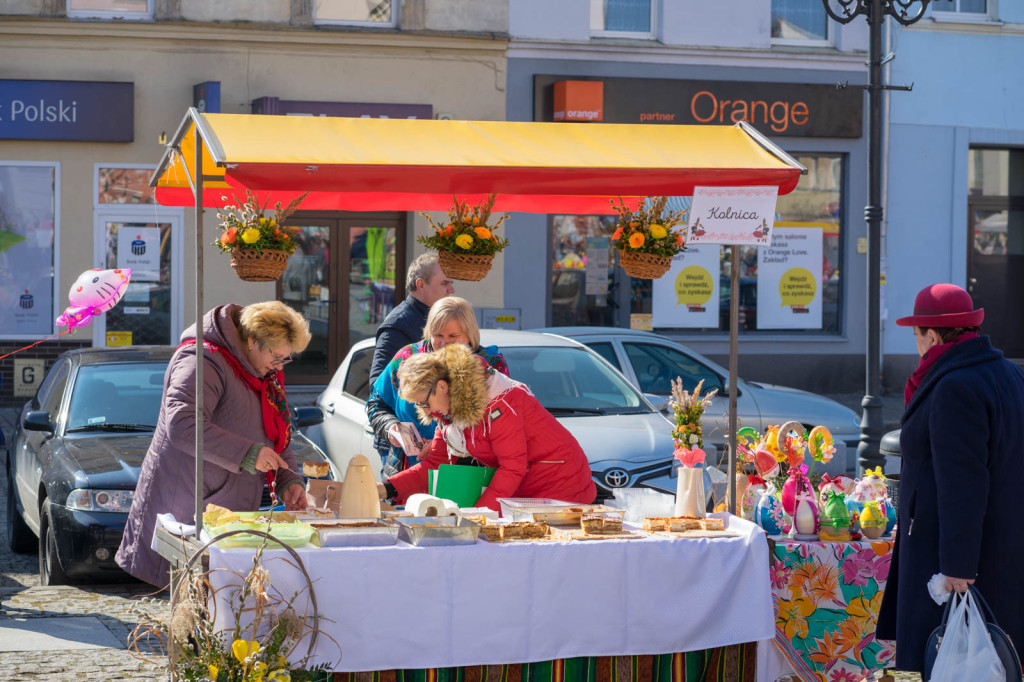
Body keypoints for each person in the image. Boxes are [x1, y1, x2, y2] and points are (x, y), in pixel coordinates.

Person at [876, 283, 1024, 673]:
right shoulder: (1007, 372)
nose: (917, 345)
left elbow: (963, 484)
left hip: (953, 558)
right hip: (1000, 544)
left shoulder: (953, 386)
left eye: (917, 335)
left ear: (935, 334)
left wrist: (957, 568)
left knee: (958, 665)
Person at [116, 301, 312, 588]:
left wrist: (288, 479)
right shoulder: (202, 359)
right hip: (189, 505)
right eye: (277, 356)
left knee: (220, 608)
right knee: (192, 609)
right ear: (251, 341)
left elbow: (274, 433)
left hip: (224, 509)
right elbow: (182, 424)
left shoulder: (265, 372)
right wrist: (249, 453)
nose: (280, 365)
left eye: (286, 358)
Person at [378, 343, 596, 511]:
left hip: (561, 484)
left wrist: (479, 515)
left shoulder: (498, 403)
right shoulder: (446, 412)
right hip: (527, 486)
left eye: (423, 403)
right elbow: (433, 464)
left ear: (443, 387)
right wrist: (386, 488)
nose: (424, 411)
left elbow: (512, 467)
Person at [366, 296, 507, 477]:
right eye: (437, 335)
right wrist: (390, 427)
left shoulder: (489, 365)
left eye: (453, 336)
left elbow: (501, 427)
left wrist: (444, 444)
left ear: (469, 334)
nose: (443, 343)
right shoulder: (406, 359)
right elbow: (375, 405)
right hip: (409, 474)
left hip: (468, 476)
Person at [368, 253, 454, 386]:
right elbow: (378, 386)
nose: (451, 289)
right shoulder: (397, 326)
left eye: (451, 283)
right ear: (421, 285)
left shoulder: (442, 317)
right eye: (445, 283)